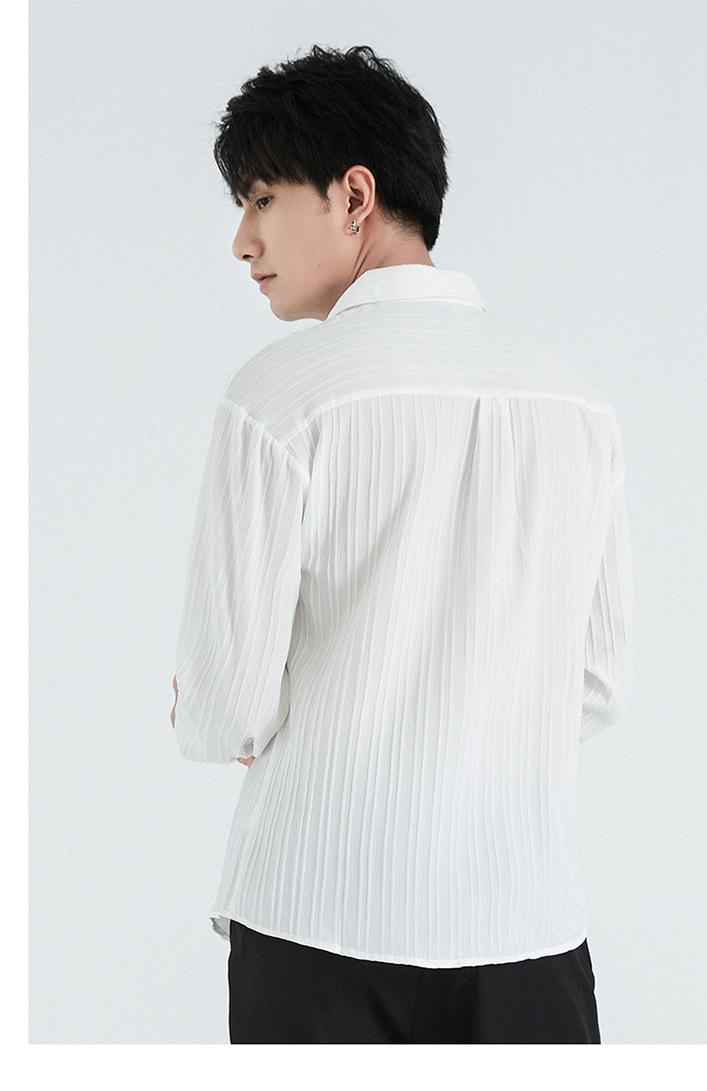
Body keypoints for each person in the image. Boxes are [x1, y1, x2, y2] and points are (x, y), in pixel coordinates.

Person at [171, 45, 633, 1044]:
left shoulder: (278, 399)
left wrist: (231, 708)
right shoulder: (577, 403)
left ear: (354, 195)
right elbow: (596, 681)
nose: (243, 241)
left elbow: (223, 709)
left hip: (314, 917)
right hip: (527, 922)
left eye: (260, 198)